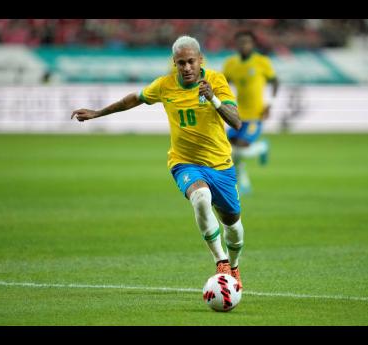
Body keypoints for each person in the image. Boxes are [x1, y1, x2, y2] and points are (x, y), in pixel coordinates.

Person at [71, 35, 245, 290]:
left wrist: (213, 99)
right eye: (180, 63)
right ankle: (220, 262)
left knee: (234, 227)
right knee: (200, 198)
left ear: (201, 61)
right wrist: (98, 113)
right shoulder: (165, 86)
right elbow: (133, 99)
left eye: (190, 62)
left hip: (220, 165)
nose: (186, 68)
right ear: (174, 63)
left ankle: (235, 264)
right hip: (184, 162)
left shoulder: (216, 81)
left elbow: (237, 122)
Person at [223, 30, 279, 195]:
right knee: (228, 149)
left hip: (256, 115)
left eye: (247, 42)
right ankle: (244, 179)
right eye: (240, 42)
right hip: (237, 115)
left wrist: (270, 103)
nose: (243, 45)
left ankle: (262, 147)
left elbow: (275, 81)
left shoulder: (262, 62)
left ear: (253, 44)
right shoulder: (231, 64)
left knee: (240, 147)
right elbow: (222, 84)